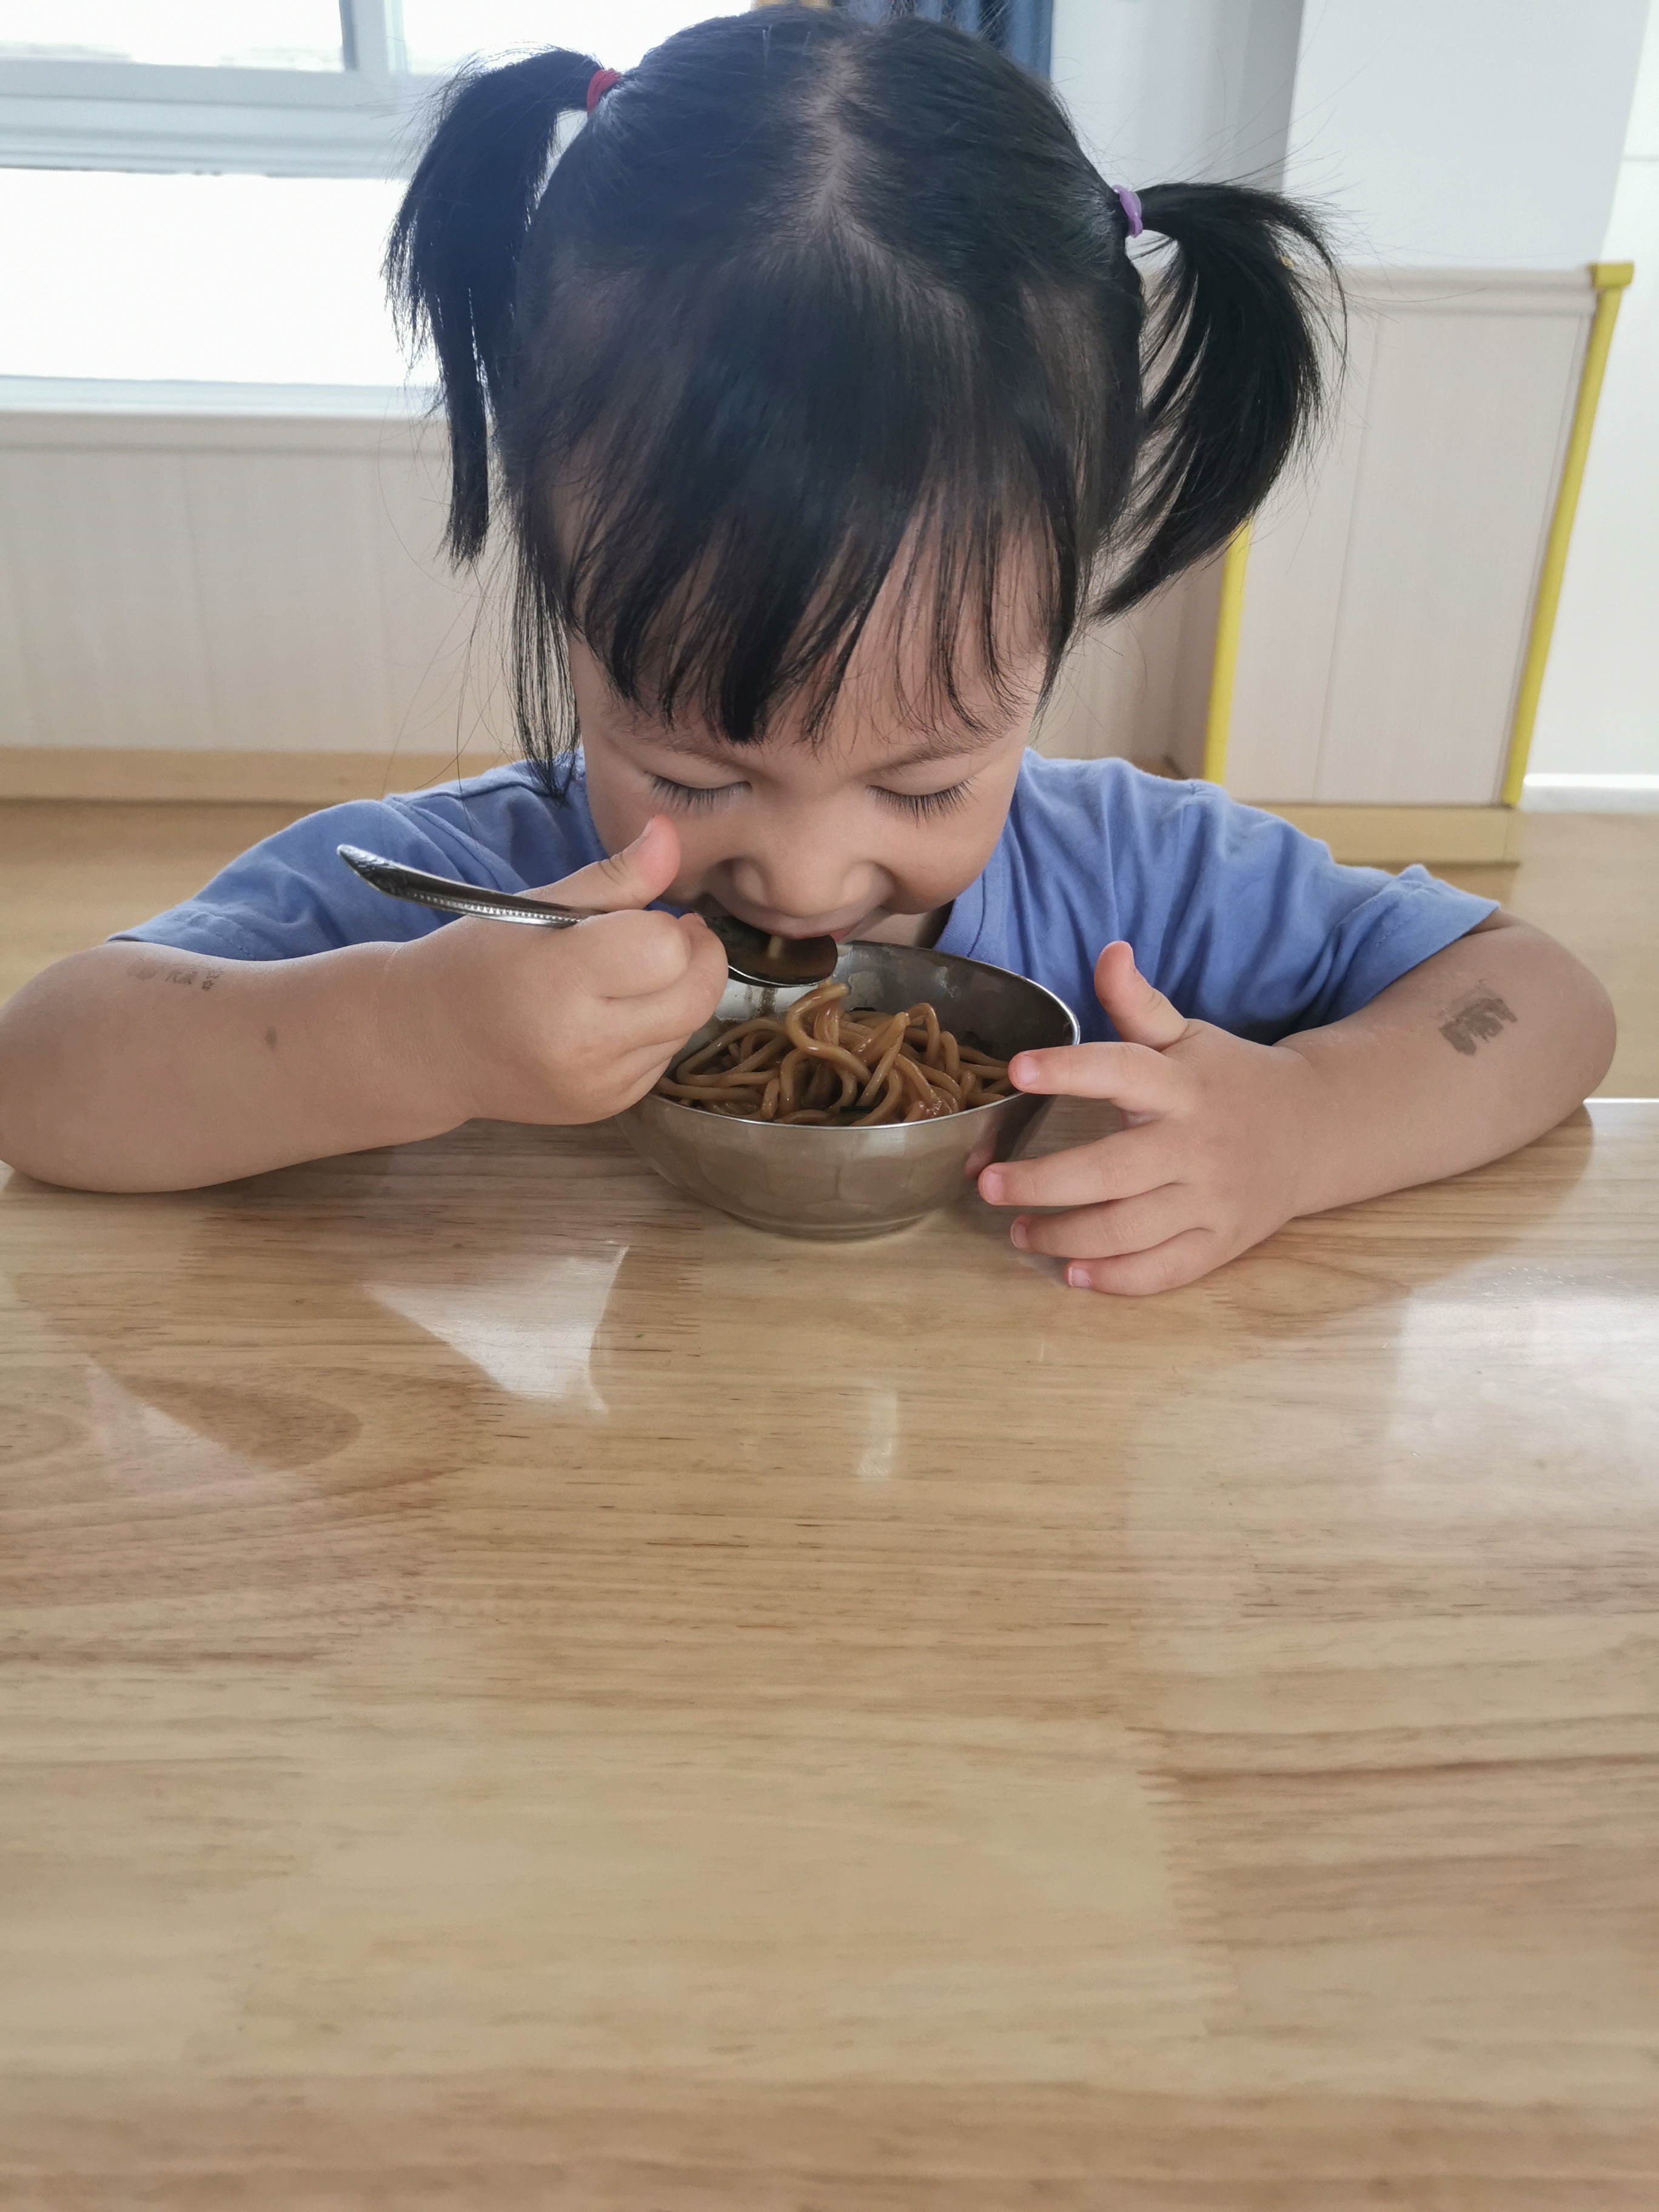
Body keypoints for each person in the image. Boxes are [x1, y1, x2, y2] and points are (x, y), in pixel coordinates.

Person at [0, 8, 1614, 1293]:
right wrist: (410, 1033)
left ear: (1050, 640)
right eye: (699, 770)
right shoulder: (477, 891)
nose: (810, 876)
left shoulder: (1135, 875)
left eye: (924, 781)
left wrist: (1306, 1125)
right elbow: (50, 1074)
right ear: (565, 594)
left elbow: (1538, 1000)